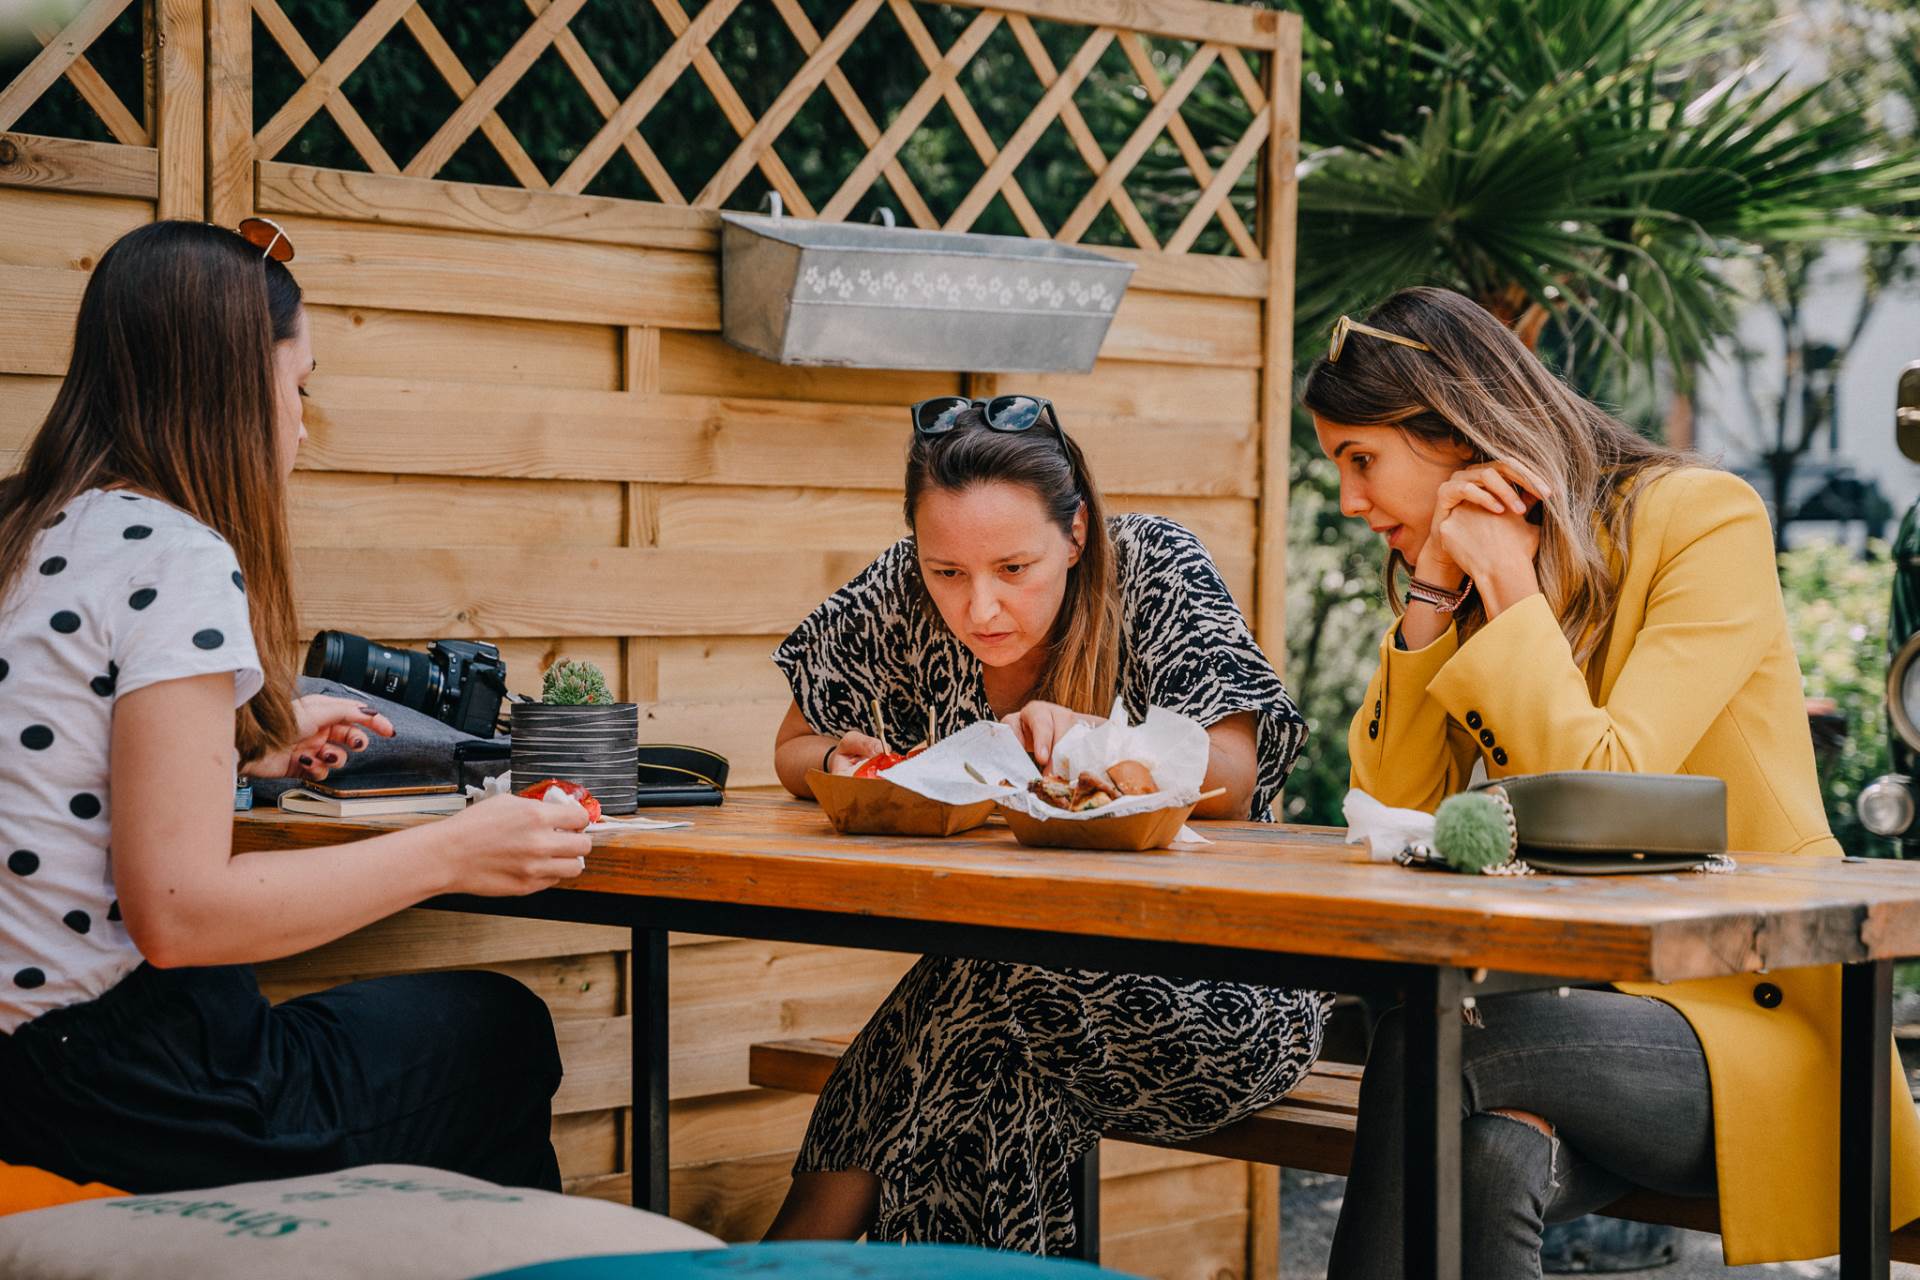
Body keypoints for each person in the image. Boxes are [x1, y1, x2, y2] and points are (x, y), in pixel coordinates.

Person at [1304, 286, 1920, 1275]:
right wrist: (1430, 599)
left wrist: (1506, 585)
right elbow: (1392, 803)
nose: (1348, 498)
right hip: (1572, 1010)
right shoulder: (1465, 571)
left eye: (1360, 459)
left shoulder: (1704, 517)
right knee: (1490, 1152)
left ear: (1450, 427)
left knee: (1431, 1044)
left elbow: (1608, 786)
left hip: (1751, 1021)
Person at [0, 220, 594, 1195]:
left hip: (20, 1076)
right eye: (300, 383)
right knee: (500, 1031)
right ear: (235, 387)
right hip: (133, 1089)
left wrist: (240, 752)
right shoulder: (175, 552)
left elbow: (45, 778)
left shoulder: (21, 528)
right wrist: (461, 846)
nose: (304, 422)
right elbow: (180, 916)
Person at [760, 394, 1330, 1253]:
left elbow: (1237, 778)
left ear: (1078, 535)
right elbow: (795, 748)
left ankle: (793, 1253)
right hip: (1014, 988)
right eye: (947, 572)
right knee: (991, 1065)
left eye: (1013, 570)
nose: (978, 607)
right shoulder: (899, 591)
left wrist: (1095, 742)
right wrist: (845, 762)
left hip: (1226, 988)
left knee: (984, 985)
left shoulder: (1154, 566)